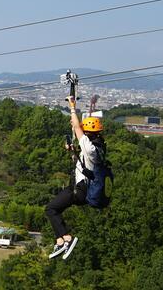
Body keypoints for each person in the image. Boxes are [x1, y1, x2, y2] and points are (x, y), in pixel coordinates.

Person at [45, 96, 105, 260]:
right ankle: (59, 240)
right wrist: (72, 152)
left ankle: (67, 239)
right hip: (82, 190)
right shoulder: (98, 147)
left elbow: (77, 127)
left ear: (88, 132)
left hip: (79, 190)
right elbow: (82, 165)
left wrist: (72, 107)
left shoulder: (90, 147)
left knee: (51, 209)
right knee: (53, 210)